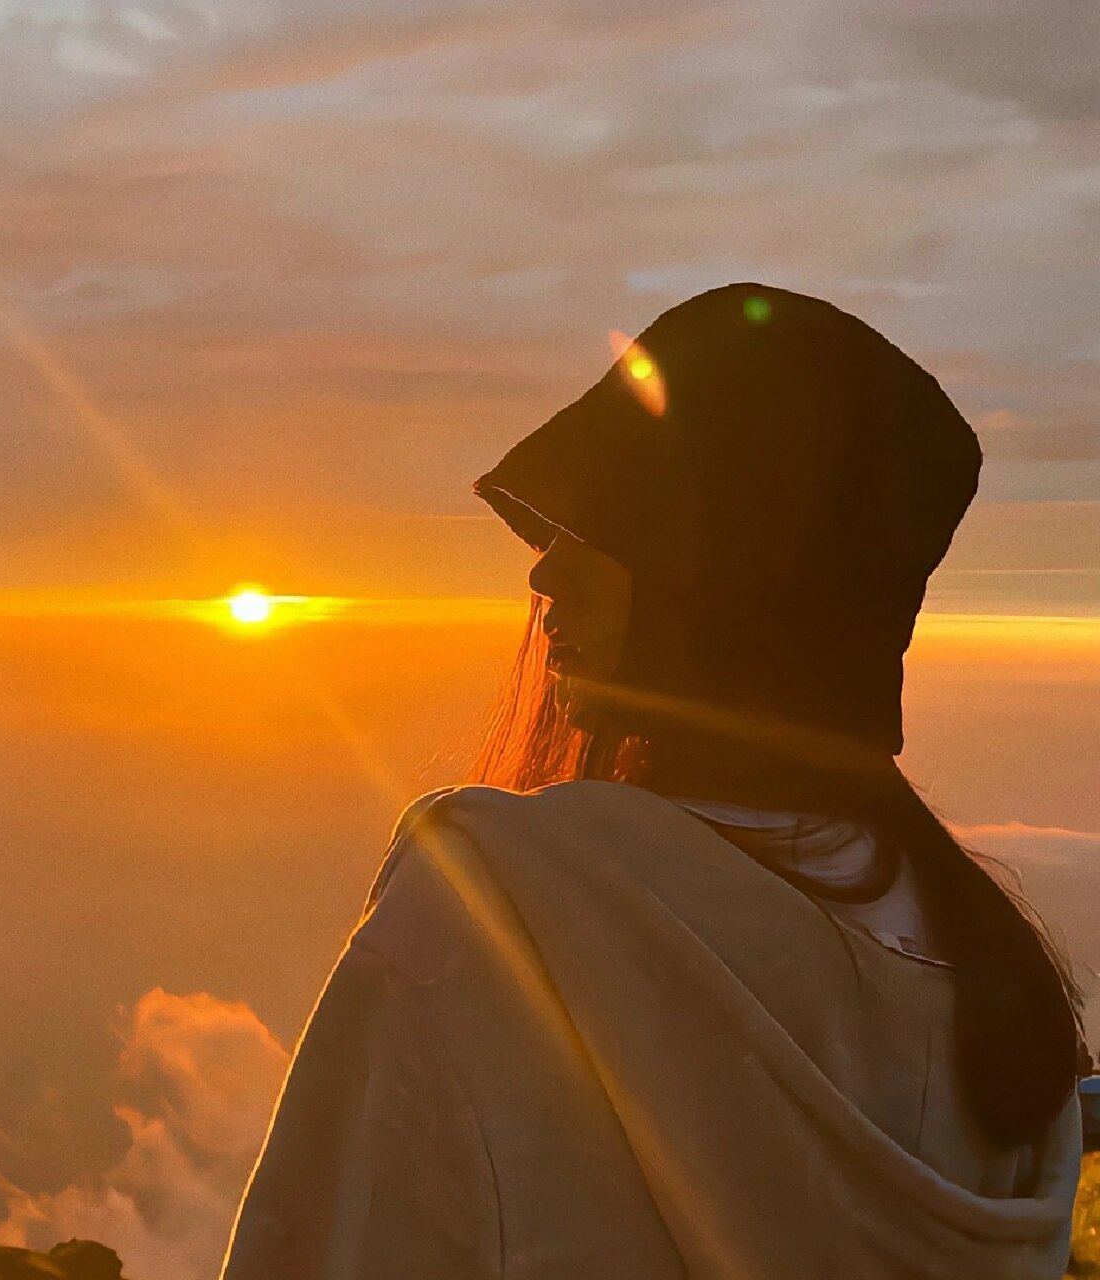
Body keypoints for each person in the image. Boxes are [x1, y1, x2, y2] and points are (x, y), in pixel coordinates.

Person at [219, 282, 1090, 1278]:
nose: (544, 575)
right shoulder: (982, 970)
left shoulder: (494, 903)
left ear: (719, 571)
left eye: (610, 527)